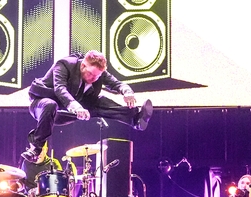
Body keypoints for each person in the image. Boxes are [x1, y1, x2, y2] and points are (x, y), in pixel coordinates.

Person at [21, 50, 153, 163]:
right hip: (43, 105)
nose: (93, 79)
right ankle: (35, 149)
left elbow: (116, 84)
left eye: (97, 76)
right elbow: (60, 89)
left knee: (99, 101)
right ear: (83, 65)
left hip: (70, 111)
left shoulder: (98, 74)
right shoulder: (65, 65)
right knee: (51, 105)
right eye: (90, 74)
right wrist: (76, 107)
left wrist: (127, 92)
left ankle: (135, 119)